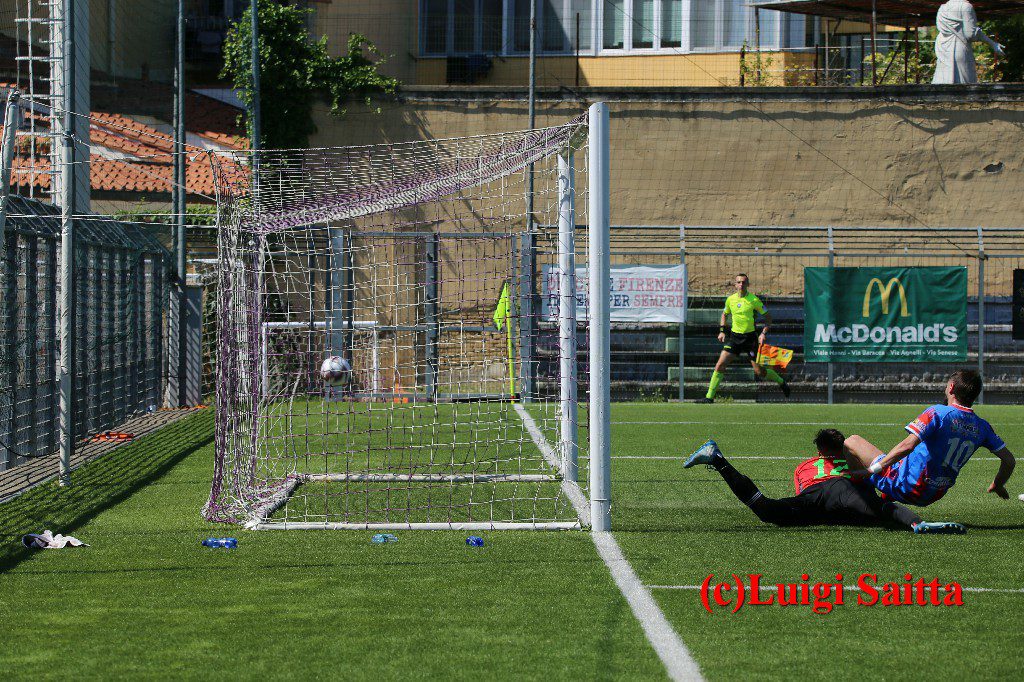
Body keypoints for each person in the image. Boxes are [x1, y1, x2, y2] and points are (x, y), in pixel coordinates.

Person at [683, 429, 965, 533]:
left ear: (818, 453)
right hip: (845, 490)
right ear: (844, 449)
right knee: (881, 510)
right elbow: (873, 486)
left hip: (817, 496)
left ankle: (718, 460)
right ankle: (918, 523)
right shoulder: (853, 461)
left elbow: (805, 492)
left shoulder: (804, 466)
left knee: (767, 509)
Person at [844, 369, 1015, 507]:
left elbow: (907, 446)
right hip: (933, 494)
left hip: (908, 486)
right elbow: (1009, 461)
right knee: (907, 460)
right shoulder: (982, 426)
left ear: (951, 388)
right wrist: (998, 484)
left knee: (852, 441)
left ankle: (867, 503)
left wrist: (870, 470)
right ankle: (885, 497)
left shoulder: (938, 413)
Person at [696, 273, 789, 403]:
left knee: (759, 372)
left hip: (750, 339)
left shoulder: (754, 300)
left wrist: (763, 333)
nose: (741, 285)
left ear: (748, 284)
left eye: (743, 282)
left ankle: (781, 381)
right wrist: (722, 331)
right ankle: (709, 397)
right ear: (735, 284)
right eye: (739, 282)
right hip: (735, 338)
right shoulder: (730, 300)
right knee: (720, 365)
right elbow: (724, 314)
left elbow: (768, 317)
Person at [932, 0, 1005, 85]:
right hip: (958, 47)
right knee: (965, 87)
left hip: (943, 48)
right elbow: (970, 34)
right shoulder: (966, 6)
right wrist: (992, 43)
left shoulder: (942, 8)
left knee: (943, 81)